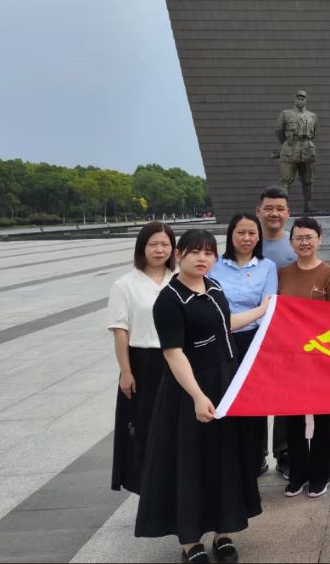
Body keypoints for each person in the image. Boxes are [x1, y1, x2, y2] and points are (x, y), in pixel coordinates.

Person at [135, 229, 271, 564]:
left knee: (225, 458)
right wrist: (197, 395)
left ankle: (223, 532)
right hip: (190, 390)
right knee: (192, 461)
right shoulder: (170, 300)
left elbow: (226, 324)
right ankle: (190, 540)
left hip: (225, 381)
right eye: (195, 252)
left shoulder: (214, 287)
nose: (202, 259)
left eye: (209, 253)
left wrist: (263, 310)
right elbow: (173, 353)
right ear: (178, 255)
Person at [108, 221, 176, 494]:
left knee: (175, 425)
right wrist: (126, 371)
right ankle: (148, 486)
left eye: (165, 244)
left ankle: (175, 482)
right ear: (142, 247)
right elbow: (120, 331)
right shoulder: (125, 284)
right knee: (144, 425)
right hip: (144, 363)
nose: (160, 250)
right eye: (153, 244)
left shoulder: (180, 278)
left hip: (179, 360)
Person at [208, 213, 278, 476]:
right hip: (219, 340)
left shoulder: (267, 267)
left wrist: (241, 320)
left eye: (251, 233)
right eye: (241, 232)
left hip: (252, 340)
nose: (246, 238)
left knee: (253, 399)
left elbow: (267, 304)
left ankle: (256, 456)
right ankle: (226, 456)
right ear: (231, 235)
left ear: (259, 237)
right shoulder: (215, 265)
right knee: (221, 394)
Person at [277, 216, 330, 499]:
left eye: (309, 237)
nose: (304, 242)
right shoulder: (282, 273)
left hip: (319, 355)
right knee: (292, 416)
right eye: (299, 238)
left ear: (319, 240)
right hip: (289, 356)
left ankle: (320, 472)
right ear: (291, 242)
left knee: (321, 416)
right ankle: (298, 472)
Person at [255, 185, 296, 477]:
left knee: (284, 394)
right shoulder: (247, 241)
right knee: (254, 390)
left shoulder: (295, 244)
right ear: (258, 211)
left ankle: (284, 453)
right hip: (252, 329)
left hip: (286, 331)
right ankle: (256, 454)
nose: (274, 213)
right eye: (268, 208)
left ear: (287, 213)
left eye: (280, 208)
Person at [275, 90, 318, 213]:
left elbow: (314, 132)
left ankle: (308, 205)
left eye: (302, 99)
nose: (300, 101)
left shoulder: (312, 116)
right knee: (285, 179)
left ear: (306, 100)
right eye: (298, 98)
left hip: (307, 148)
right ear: (295, 100)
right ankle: (283, 206)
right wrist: (286, 143)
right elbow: (279, 131)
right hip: (290, 148)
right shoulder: (285, 114)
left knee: (308, 179)